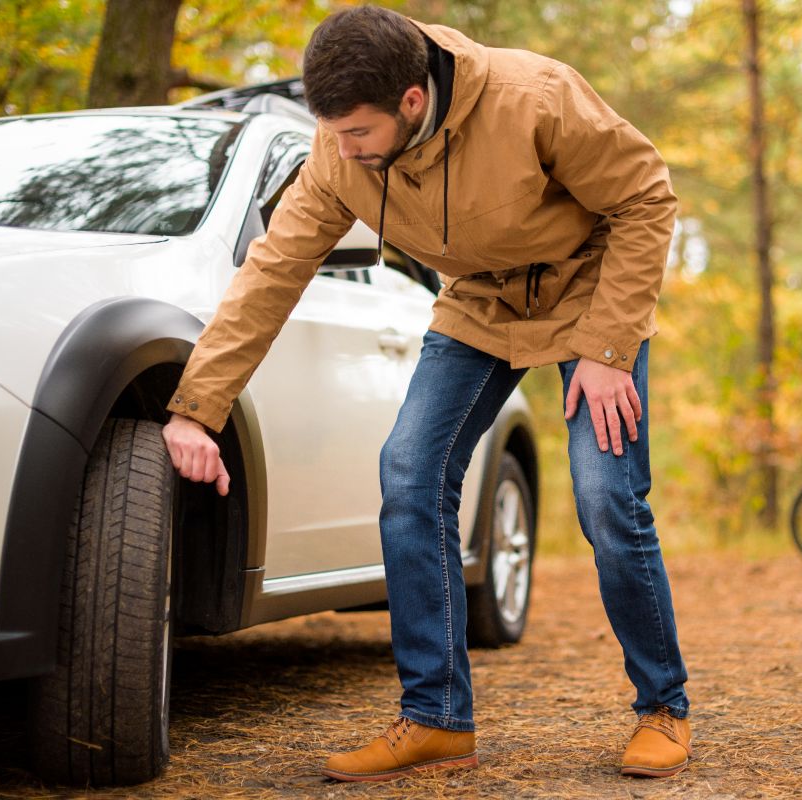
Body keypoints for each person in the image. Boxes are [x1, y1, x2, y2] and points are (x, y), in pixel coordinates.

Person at [161, 4, 691, 782]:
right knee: (410, 472)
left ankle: (663, 705)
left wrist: (611, 348)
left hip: (589, 293)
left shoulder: (534, 96)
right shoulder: (341, 150)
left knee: (606, 495)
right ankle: (437, 718)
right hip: (480, 302)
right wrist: (196, 407)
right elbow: (273, 270)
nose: (341, 151)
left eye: (357, 134)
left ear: (413, 102)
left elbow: (647, 197)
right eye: (333, 133)